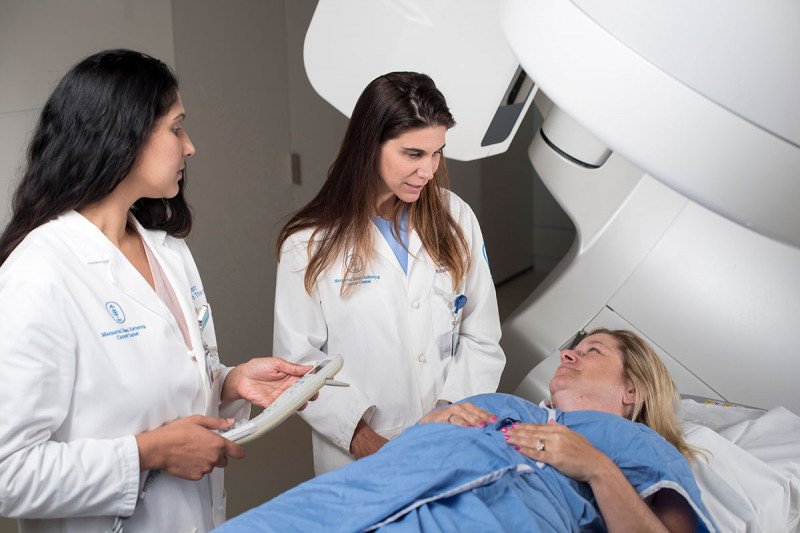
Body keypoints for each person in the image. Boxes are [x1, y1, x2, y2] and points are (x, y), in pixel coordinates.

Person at [0, 49, 312, 533]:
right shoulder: (39, 273)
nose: (190, 147)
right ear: (121, 135)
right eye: (176, 128)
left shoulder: (166, 252)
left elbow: (173, 382)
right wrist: (150, 454)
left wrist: (229, 383)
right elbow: (8, 473)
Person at [214, 328, 716, 532]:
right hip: (364, 492)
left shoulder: (640, 445)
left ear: (634, 390)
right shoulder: (510, 405)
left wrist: (596, 468)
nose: (569, 353)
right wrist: (429, 429)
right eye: (574, 346)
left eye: (593, 352)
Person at [273, 72, 506, 474]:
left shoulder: (455, 218)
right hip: (357, 457)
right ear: (370, 146)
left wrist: (446, 417)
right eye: (413, 154)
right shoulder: (309, 242)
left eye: (437, 153)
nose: (429, 170)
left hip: (448, 440)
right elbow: (299, 366)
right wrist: (368, 444)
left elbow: (481, 337)